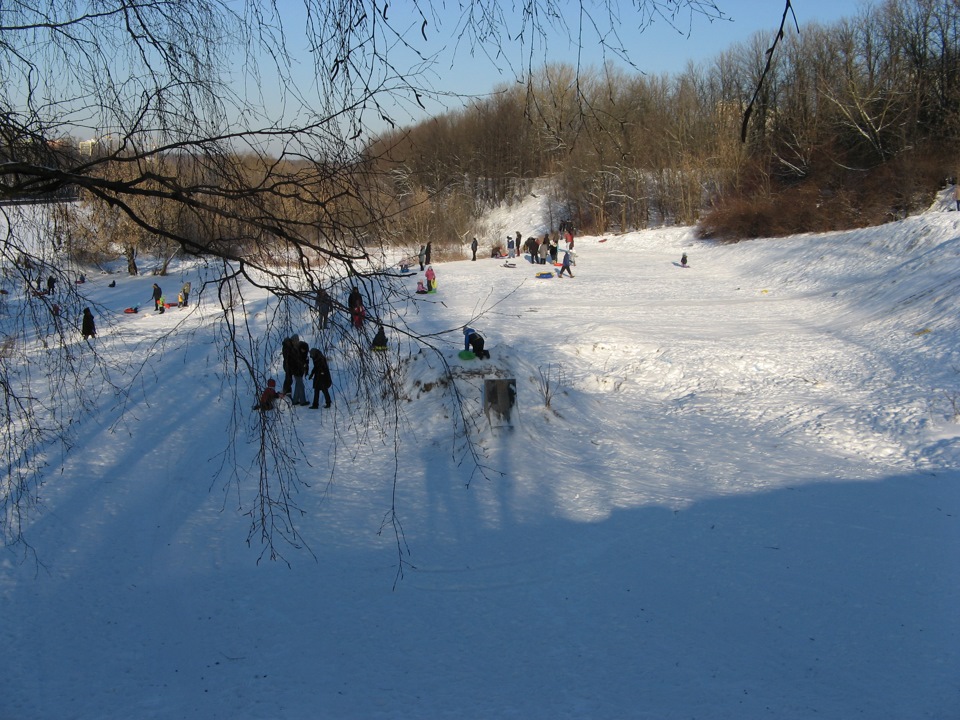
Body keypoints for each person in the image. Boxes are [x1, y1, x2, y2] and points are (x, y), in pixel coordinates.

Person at [291, 337, 310, 406]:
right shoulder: (296, 352)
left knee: (298, 386)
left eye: (304, 350)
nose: (303, 351)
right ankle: (303, 401)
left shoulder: (304, 354)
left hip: (300, 372)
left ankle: (295, 400)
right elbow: (295, 363)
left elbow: (305, 363)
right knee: (301, 386)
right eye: (302, 350)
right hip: (296, 371)